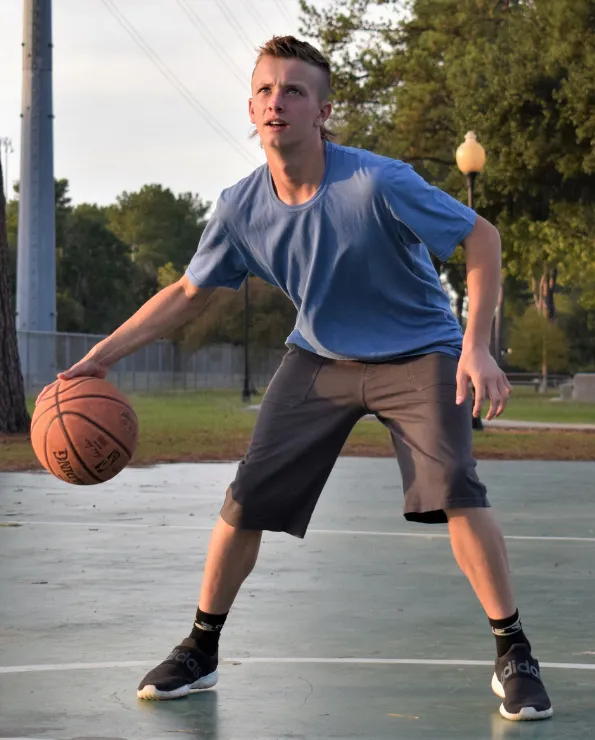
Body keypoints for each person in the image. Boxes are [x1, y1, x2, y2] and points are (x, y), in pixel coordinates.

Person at [52, 36, 552, 721]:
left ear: (321, 110)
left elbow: (482, 236)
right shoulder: (239, 207)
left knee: (456, 489)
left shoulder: (375, 181)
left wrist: (477, 347)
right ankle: (200, 648)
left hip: (419, 351)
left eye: (292, 90)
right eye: (264, 90)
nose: (276, 101)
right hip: (319, 357)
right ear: (250, 109)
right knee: (246, 497)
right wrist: (103, 355)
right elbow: (189, 292)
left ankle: (512, 651)